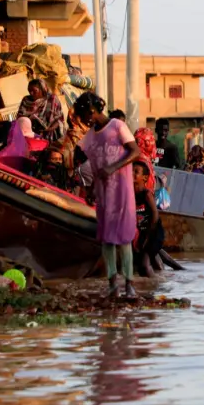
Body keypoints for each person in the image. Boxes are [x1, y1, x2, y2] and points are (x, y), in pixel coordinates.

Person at [75, 92, 141, 298]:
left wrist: (113, 168)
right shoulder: (90, 136)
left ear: (92, 110)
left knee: (123, 237)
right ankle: (113, 284)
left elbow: (135, 151)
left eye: (84, 114)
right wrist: (92, 188)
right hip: (104, 194)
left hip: (121, 191)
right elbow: (96, 166)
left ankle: (129, 284)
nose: (83, 119)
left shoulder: (117, 126)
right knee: (107, 239)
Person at [132, 160, 165, 278]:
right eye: (131, 171)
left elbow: (155, 216)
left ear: (145, 178)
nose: (132, 174)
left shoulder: (146, 194)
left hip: (153, 233)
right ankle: (160, 279)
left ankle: (155, 286)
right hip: (142, 234)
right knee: (144, 264)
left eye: (136, 172)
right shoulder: (130, 194)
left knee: (145, 265)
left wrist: (148, 236)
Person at [17, 78, 65, 143]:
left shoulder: (52, 99)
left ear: (42, 89)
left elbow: (58, 118)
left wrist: (48, 129)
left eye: (34, 91)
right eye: (29, 91)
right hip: (30, 133)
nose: (31, 93)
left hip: (51, 132)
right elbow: (20, 117)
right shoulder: (26, 100)